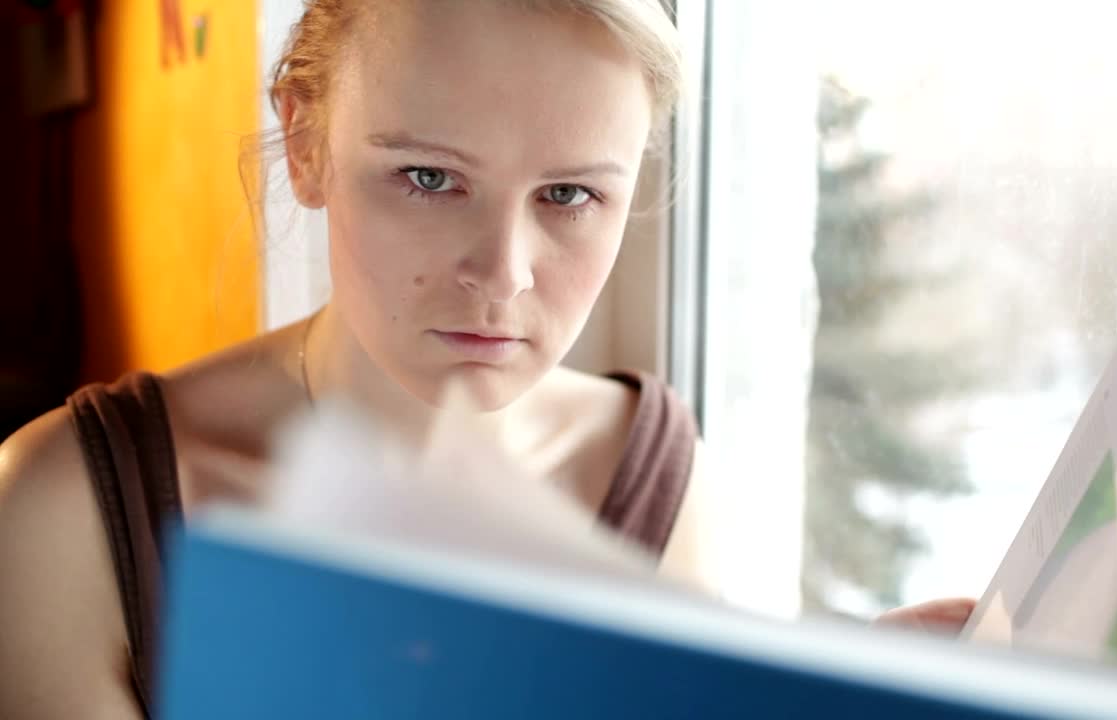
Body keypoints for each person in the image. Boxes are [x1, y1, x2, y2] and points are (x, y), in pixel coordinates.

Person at [0, 1, 973, 717]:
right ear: (304, 141)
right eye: (429, 177)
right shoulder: (60, 514)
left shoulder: (659, 486)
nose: (503, 274)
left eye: (569, 195)